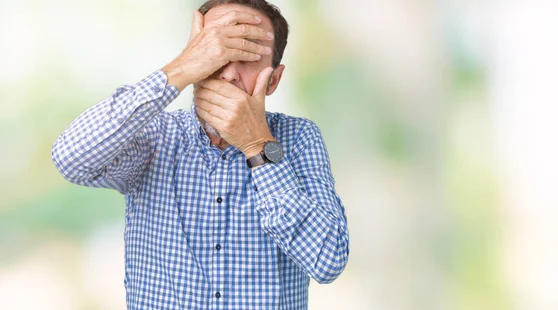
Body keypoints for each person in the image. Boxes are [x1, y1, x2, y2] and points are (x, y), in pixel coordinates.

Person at [51, 0, 349, 309]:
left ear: (273, 80)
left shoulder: (299, 138)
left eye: (247, 55)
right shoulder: (155, 136)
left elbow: (328, 261)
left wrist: (257, 145)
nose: (229, 74)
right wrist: (180, 67)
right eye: (217, 51)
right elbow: (71, 158)